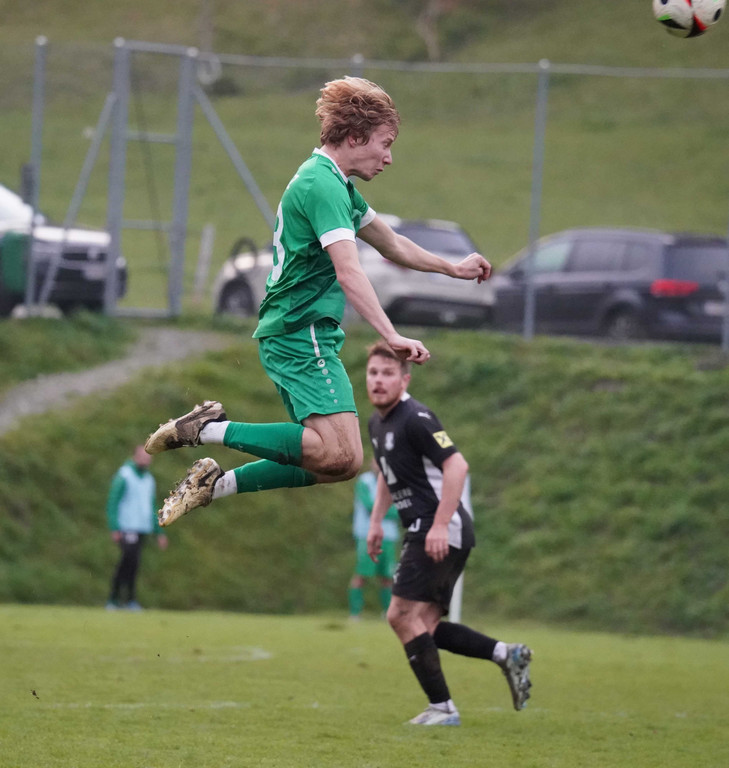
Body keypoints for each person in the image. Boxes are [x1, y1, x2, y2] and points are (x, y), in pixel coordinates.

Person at [143, 76, 491, 524]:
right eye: (385, 144)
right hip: (299, 331)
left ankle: (216, 483)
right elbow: (349, 271)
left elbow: (392, 244)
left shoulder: (335, 185)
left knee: (340, 462)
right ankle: (207, 429)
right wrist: (391, 336)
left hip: (300, 331)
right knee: (337, 453)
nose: (388, 157)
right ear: (355, 137)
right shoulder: (322, 186)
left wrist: (453, 268)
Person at [364, 340, 532, 726]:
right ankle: (506, 654)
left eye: (388, 373)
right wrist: (376, 521)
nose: (378, 380)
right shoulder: (377, 423)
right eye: (373, 373)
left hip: (438, 527)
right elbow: (388, 475)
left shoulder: (416, 417)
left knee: (400, 615)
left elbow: (457, 466)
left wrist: (439, 525)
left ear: (404, 380)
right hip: (429, 527)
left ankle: (442, 708)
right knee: (424, 626)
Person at [106, 445, 168, 610]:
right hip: (127, 527)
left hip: (142, 528)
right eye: (142, 456)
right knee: (127, 560)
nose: (145, 460)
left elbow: (152, 506)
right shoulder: (124, 475)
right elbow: (113, 501)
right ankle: (114, 598)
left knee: (134, 564)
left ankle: (129, 600)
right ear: (135, 456)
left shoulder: (149, 479)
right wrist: (114, 527)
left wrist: (159, 531)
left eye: (148, 457)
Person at [349, 459, 400, 620]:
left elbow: (400, 510)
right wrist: (387, 510)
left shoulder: (395, 481)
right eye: (376, 462)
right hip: (366, 534)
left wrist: (383, 510)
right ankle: (355, 614)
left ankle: (388, 613)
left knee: (388, 577)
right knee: (361, 574)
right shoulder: (364, 482)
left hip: (389, 535)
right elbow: (369, 506)